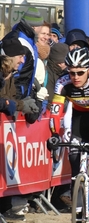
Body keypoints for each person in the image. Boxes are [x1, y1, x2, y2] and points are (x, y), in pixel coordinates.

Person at [47, 47, 89, 201]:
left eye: (80, 73)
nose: (75, 77)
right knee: (73, 154)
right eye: (72, 72)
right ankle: (75, 186)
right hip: (79, 120)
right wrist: (54, 134)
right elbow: (56, 112)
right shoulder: (63, 82)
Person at [0, 38, 40, 222]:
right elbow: (3, 101)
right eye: (20, 57)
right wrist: (19, 105)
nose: (22, 61)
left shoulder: (8, 75)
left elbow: (10, 97)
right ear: (9, 57)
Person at [3, 6, 44, 100]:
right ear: (34, 26)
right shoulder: (22, 42)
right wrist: (19, 101)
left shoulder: (24, 37)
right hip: (14, 98)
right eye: (40, 25)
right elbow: (14, 73)